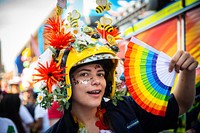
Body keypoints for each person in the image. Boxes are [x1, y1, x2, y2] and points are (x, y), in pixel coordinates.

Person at [32, 7, 199, 133]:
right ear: (65, 83)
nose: (96, 80)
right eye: (85, 74)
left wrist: (188, 72)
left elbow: (181, 105)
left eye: (100, 73)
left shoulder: (127, 108)